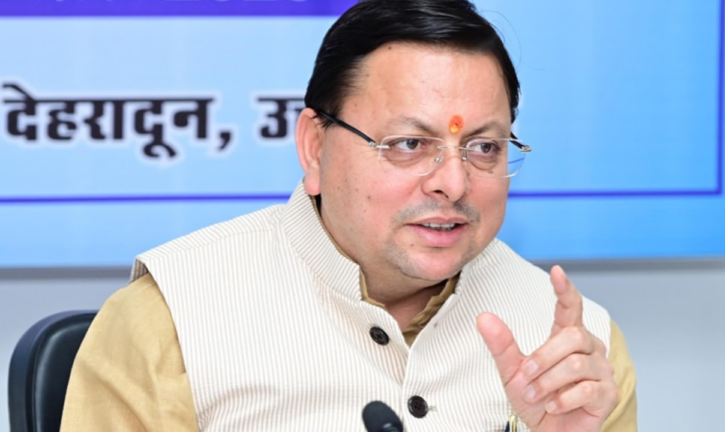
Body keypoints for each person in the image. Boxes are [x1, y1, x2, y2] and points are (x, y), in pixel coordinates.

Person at [60, 0, 637, 431]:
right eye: (409, 144)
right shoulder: (170, 321)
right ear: (315, 146)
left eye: (483, 147)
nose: (454, 183)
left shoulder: (576, 351)